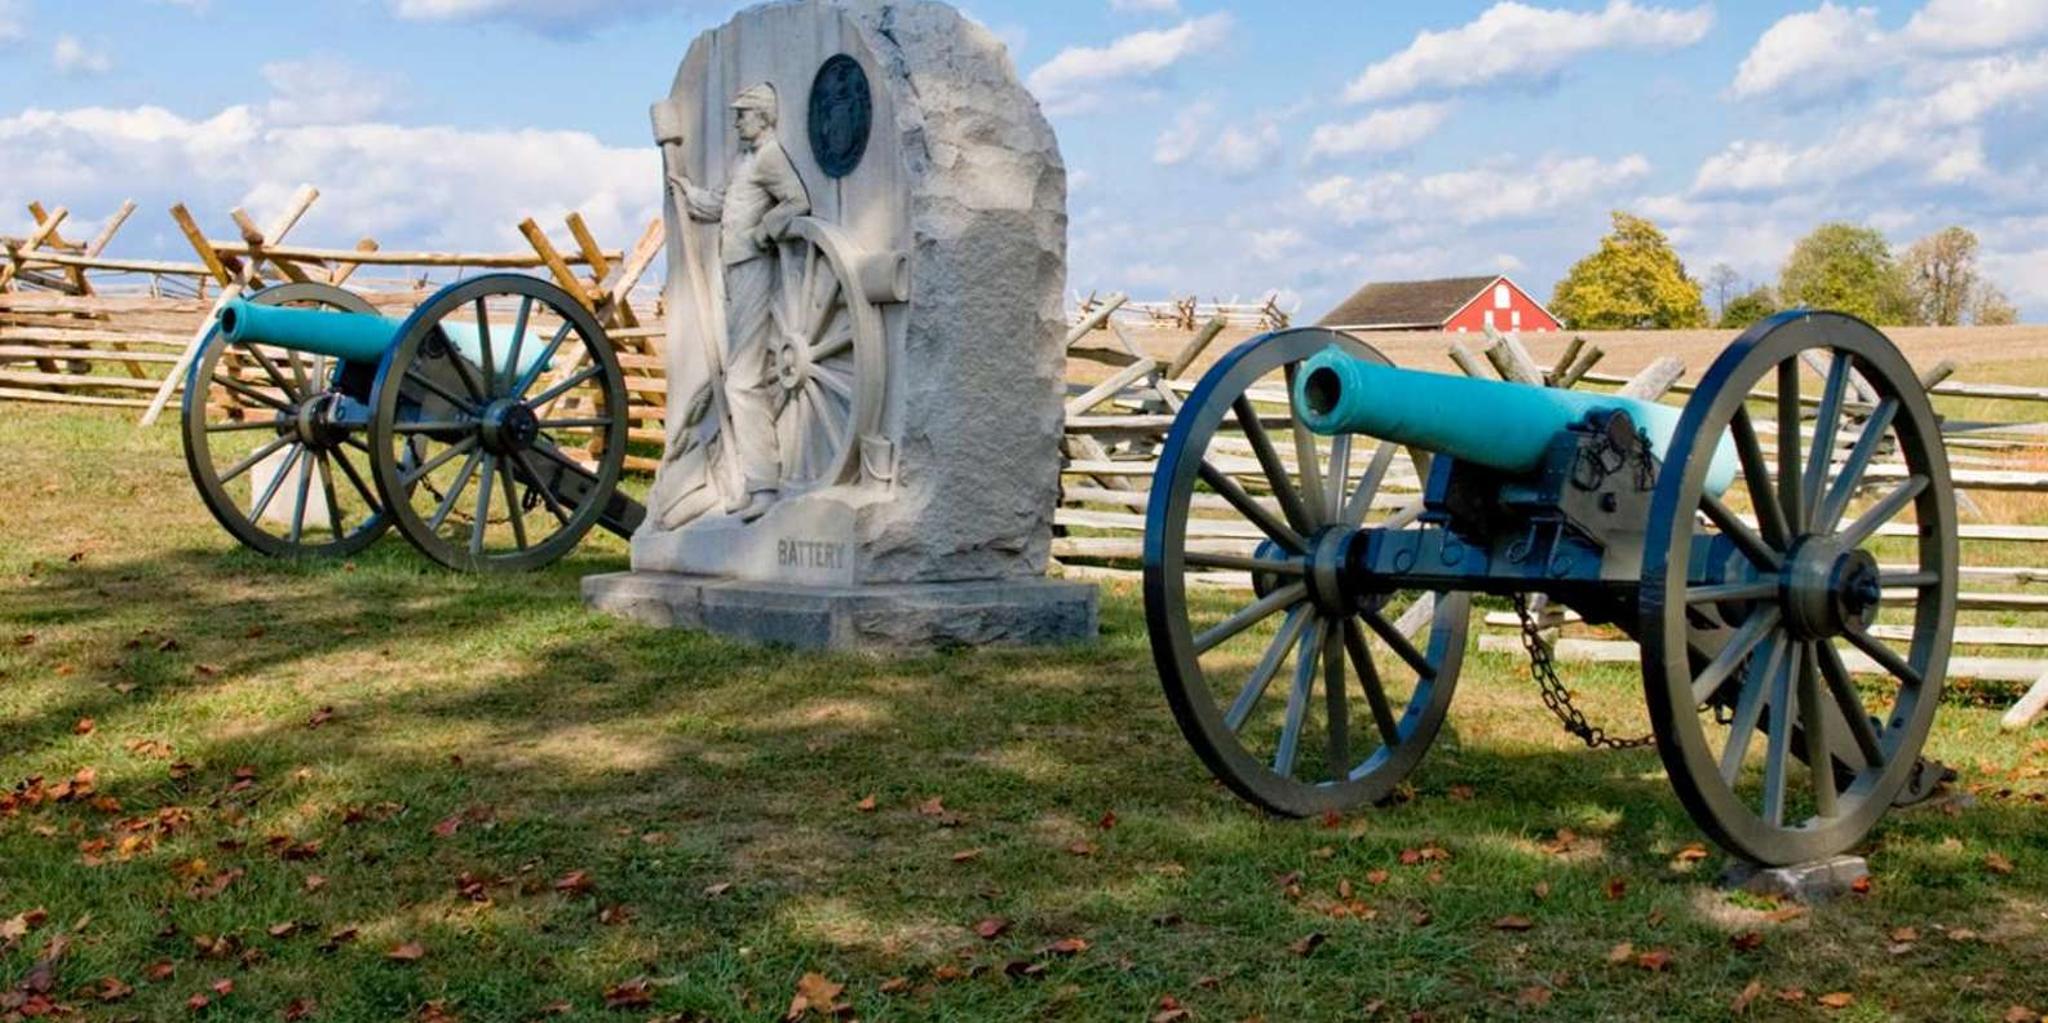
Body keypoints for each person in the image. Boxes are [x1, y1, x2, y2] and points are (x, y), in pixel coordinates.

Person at [680, 82, 812, 521]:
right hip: (733, 269)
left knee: (742, 378)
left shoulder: (772, 156)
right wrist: (686, 192)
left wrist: (764, 233)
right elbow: (722, 204)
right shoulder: (745, 160)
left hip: (755, 267)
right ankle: (750, 483)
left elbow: (797, 200)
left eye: (742, 114)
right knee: (739, 372)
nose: (736, 121)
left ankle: (763, 485)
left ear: (763, 116)